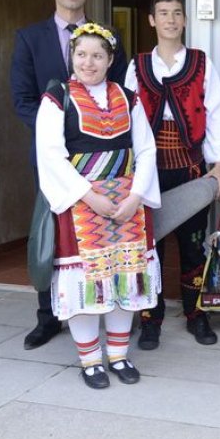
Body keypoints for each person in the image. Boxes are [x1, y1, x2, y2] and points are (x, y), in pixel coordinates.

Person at [10, 0, 128, 351]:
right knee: (53, 237)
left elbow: (119, 94)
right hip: (55, 161)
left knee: (104, 239)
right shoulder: (30, 38)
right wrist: (61, 130)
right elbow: (22, 99)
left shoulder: (109, 38)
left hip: (106, 163)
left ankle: (108, 311)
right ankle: (49, 317)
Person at [35, 22, 160, 389]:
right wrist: (90, 196)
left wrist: (136, 196)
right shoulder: (57, 98)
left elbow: (146, 148)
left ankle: (119, 355)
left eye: (97, 55)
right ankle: (90, 360)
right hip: (80, 205)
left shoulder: (128, 97)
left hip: (127, 205)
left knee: (125, 277)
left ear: (109, 60)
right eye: (81, 54)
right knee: (87, 284)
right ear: (72, 57)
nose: (88, 62)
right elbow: (51, 156)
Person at [125, 0, 220, 350]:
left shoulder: (201, 64)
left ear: (185, 20)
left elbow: (216, 115)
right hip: (150, 171)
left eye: (177, 13)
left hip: (190, 168)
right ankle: (150, 319)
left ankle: (197, 315)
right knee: (149, 247)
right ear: (151, 20)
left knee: (194, 247)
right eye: (163, 13)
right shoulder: (137, 66)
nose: (170, 19)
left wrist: (218, 168)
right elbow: (129, 121)